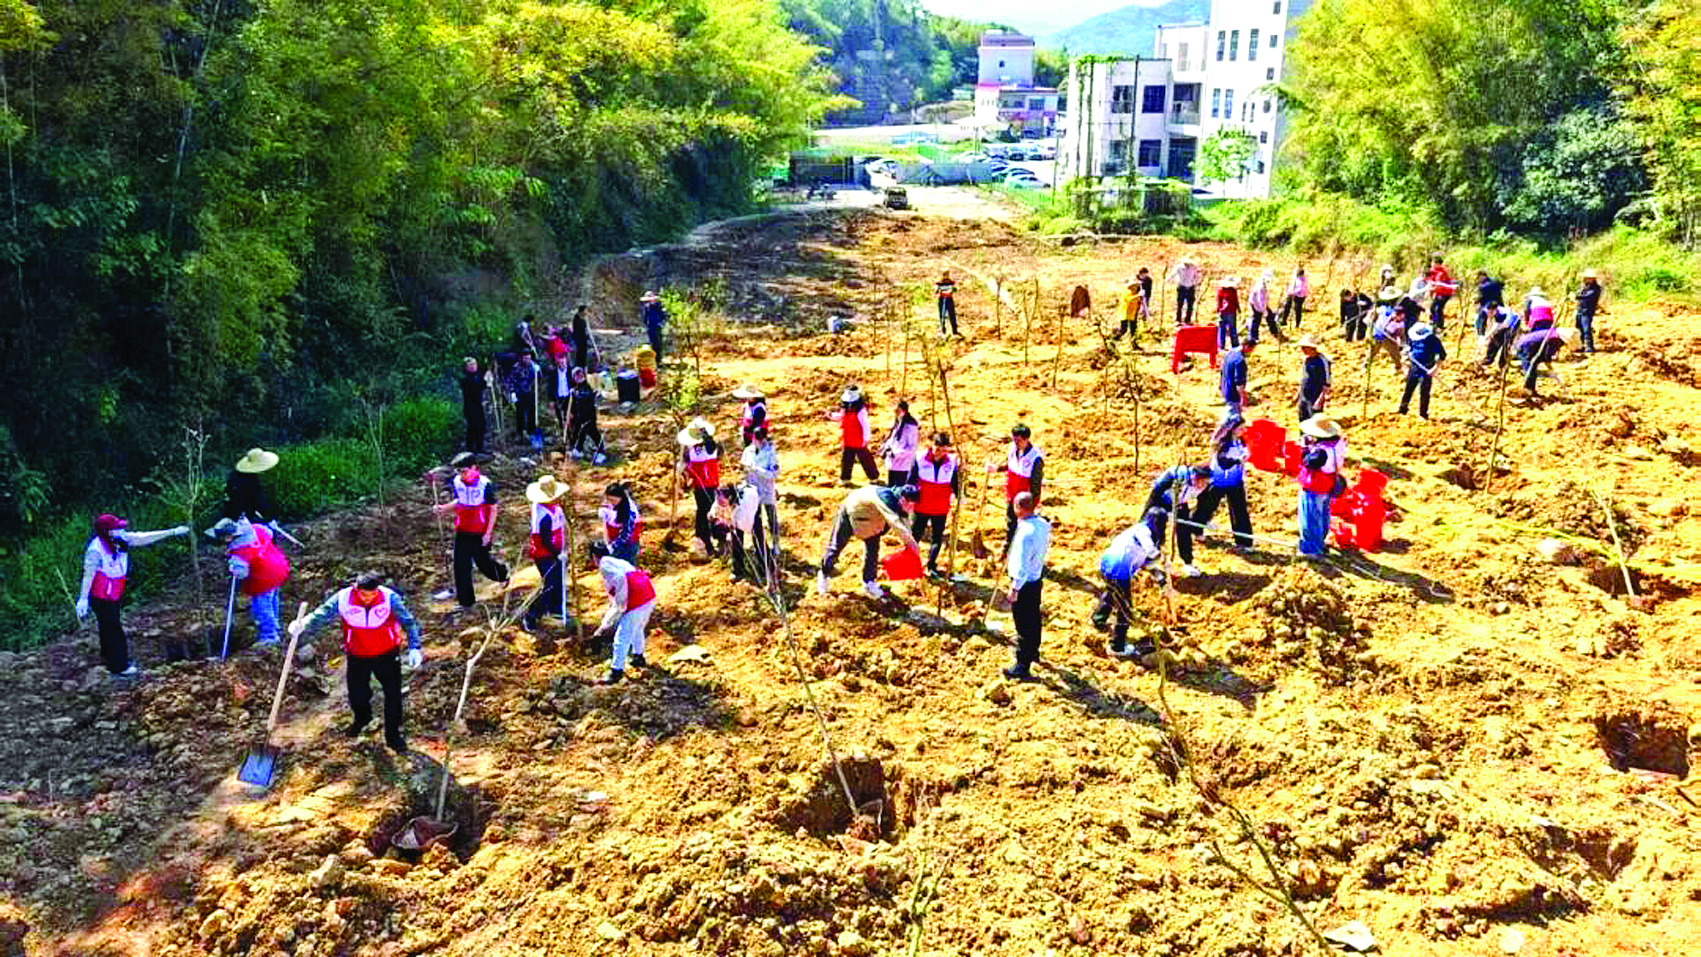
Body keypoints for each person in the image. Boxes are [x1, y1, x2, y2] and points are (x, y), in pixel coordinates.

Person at [288, 572, 422, 753]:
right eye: (364, 595)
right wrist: (303, 624)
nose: (369, 598)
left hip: (387, 654)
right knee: (357, 694)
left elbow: (408, 621)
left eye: (373, 594)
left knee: (393, 695)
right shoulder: (343, 598)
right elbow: (322, 614)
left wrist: (415, 646)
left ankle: (393, 736)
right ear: (356, 589)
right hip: (357, 654)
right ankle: (363, 720)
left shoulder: (390, 598)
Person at [75, 515, 191, 676]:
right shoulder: (95, 550)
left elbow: (144, 537)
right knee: (113, 628)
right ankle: (119, 666)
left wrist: (172, 532)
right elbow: (88, 574)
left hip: (114, 592)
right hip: (101, 596)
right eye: (117, 528)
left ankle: (108, 656)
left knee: (108, 626)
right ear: (107, 531)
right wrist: (83, 598)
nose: (122, 530)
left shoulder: (122, 540)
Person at [815, 483, 922, 599]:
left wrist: (912, 545)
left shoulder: (900, 504)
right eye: (909, 504)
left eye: (913, 505)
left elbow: (905, 522)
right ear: (902, 499)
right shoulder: (886, 499)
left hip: (871, 521)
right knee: (836, 545)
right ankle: (823, 574)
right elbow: (896, 524)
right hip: (852, 512)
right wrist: (912, 544)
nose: (911, 508)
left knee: (872, 551)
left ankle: (869, 583)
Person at [430, 453, 509, 609]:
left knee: (483, 563)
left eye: (464, 471)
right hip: (463, 528)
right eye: (459, 471)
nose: (462, 474)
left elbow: (493, 509)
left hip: (480, 530)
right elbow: (460, 501)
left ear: (474, 468)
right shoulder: (457, 482)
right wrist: (443, 508)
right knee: (461, 565)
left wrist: (488, 533)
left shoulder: (485, 485)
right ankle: (466, 602)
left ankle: (502, 574)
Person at [205, 516, 291, 646]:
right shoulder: (255, 528)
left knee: (261, 606)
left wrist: (234, 567)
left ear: (228, 537)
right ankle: (275, 626)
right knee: (271, 599)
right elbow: (270, 532)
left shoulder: (240, 551)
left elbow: (242, 574)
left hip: (264, 577)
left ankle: (270, 636)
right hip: (277, 567)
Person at [1091, 512, 1164, 657]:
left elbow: (1145, 563)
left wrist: (1160, 577)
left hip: (1108, 563)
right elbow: (1152, 554)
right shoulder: (1145, 534)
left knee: (1113, 592)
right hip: (1119, 568)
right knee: (1125, 609)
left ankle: (1098, 618)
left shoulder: (1138, 529)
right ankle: (1117, 647)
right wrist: (1163, 559)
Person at [589, 543, 656, 685]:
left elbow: (620, 582)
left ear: (594, 556)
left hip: (637, 598)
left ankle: (616, 671)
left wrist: (621, 604)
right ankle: (638, 657)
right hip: (648, 594)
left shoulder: (604, 565)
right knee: (637, 628)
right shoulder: (617, 561)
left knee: (622, 637)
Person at [1002, 491, 1051, 682]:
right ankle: (1034, 651)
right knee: (1034, 618)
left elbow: (1021, 565)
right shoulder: (1043, 525)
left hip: (1024, 584)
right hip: (1036, 579)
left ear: (1019, 508)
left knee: (1022, 624)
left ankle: (1022, 665)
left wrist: (1015, 588)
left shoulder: (1025, 533)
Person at [1193, 415, 1253, 551]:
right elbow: (1223, 462)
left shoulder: (1241, 442)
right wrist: (1237, 460)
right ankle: (1196, 529)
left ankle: (1244, 541)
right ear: (1232, 429)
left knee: (1239, 511)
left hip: (1235, 481)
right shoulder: (1223, 444)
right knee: (1208, 506)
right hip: (1218, 480)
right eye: (1240, 428)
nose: (1242, 430)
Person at [906, 432, 959, 577]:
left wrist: (960, 496)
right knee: (914, 536)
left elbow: (955, 482)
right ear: (932, 446)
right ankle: (910, 564)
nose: (940, 453)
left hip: (941, 507)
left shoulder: (952, 462)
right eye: (937, 449)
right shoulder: (920, 458)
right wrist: (909, 498)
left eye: (943, 450)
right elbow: (910, 480)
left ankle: (931, 565)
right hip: (921, 506)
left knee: (937, 537)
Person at [1143, 464, 1209, 578]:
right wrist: (1146, 517)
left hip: (1180, 503)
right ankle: (1150, 560)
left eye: (1206, 482)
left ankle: (1188, 563)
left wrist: (1200, 522)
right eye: (1203, 482)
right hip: (1162, 500)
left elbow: (1203, 505)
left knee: (1184, 529)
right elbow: (1155, 495)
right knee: (1155, 530)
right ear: (1196, 478)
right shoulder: (1174, 477)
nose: (1204, 485)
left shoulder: (1204, 486)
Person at [988, 424, 1044, 554]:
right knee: (1010, 523)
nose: (1015, 443)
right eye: (1014, 440)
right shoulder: (1013, 449)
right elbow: (1011, 465)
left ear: (1026, 439)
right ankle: (1008, 549)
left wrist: (1032, 504)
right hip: (1011, 494)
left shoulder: (1035, 458)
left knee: (1023, 527)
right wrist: (996, 468)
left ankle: (1022, 552)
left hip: (1024, 501)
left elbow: (1036, 485)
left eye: (1018, 440)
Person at [523, 476, 569, 631]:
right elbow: (545, 540)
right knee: (550, 584)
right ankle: (532, 615)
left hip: (555, 551)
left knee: (558, 580)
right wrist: (557, 554)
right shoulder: (543, 515)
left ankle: (556, 609)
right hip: (545, 554)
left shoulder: (554, 508)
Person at [1297, 416, 1346, 558]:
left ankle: (1311, 549)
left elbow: (1307, 462)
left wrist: (1305, 448)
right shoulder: (1338, 444)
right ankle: (1320, 542)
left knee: (1310, 518)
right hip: (1328, 485)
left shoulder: (1321, 453)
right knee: (1323, 515)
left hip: (1315, 487)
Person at [677, 418, 722, 556]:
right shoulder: (691, 449)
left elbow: (714, 450)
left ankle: (711, 537)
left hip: (711, 483)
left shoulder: (711, 447)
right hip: (700, 485)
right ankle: (705, 541)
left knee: (707, 512)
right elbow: (685, 463)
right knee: (704, 512)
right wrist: (683, 468)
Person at [1517, 288, 1565, 398]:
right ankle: (1542, 357)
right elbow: (1552, 316)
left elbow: (1527, 312)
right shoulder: (1546, 302)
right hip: (1548, 324)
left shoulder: (1530, 300)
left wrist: (1527, 323)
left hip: (1537, 322)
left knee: (1532, 349)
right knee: (1543, 342)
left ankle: (1529, 382)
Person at [724, 478, 770, 586]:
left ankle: (765, 568)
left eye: (722, 501)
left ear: (730, 498)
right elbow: (716, 509)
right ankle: (737, 570)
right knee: (736, 540)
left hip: (752, 507)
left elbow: (746, 527)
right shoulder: (722, 497)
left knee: (757, 537)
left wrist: (732, 523)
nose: (720, 502)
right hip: (738, 511)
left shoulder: (745, 507)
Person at [740, 426, 781, 546]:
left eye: (759, 438)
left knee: (771, 517)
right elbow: (744, 467)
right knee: (755, 518)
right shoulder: (748, 450)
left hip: (766, 489)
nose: (757, 441)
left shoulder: (770, 452)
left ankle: (776, 543)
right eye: (755, 438)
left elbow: (773, 474)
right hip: (753, 489)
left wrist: (757, 470)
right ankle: (758, 543)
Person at [1398, 322, 1447, 419]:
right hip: (1414, 366)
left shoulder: (1432, 340)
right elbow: (1410, 348)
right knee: (1409, 388)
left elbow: (1442, 355)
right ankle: (1403, 409)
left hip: (1426, 368)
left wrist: (1434, 369)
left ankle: (1423, 414)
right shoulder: (1412, 337)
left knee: (1424, 392)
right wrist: (1407, 355)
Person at [834, 385, 879, 484]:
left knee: (865, 459)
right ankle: (845, 479)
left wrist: (866, 438)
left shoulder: (861, 411)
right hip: (847, 438)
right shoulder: (845, 409)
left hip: (858, 439)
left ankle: (873, 477)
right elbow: (841, 416)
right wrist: (832, 416)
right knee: (846, 459)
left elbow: (865, 425)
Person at [222, 448, 279, 524]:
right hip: (241, 516)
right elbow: (257, 500)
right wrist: (269, 518)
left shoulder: (236, 475)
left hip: (235, 511)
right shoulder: (249, 480)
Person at [564, 367, 606, 463]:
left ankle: (601, 452)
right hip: (580, 415)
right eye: (576, 375)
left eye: (580, 375)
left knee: (593, 433)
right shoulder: (575, 388)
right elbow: (572, 403)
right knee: (579, 432)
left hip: (589, 415)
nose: (579, 377)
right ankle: (578, 449)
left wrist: (576, 394)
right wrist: (570, 413)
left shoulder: (586, 386)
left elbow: (587, 396)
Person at [1364, 287, 1407, 379]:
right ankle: (1366, 366)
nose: (1399, 318)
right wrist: (1370, 319)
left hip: (1388, 337)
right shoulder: (1384, 310)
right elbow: (1372, 315)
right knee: (1373, 351)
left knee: (1395, 353)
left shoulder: (1400, 323)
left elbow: (1401, 334)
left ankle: (1398, 368)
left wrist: (1402, 343)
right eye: (1398, 316)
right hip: (1378, 333)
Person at [879, 399, 920, 487]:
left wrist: (899, 453)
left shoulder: (910, 425)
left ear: (904, 411)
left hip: (903, 464)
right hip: (893, 462)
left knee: (900, 489)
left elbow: (912, 445)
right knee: (891, 487)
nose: (896, 413)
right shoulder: (898, 422)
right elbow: (892, 438)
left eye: (898, 411)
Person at [599, 481, 642, 564]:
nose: (610, 502)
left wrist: (612, 548)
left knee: (626, 572)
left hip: (628, 545)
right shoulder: (610, 505)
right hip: (614, 541)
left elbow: (626, 534)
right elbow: (605, 524)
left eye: (613, 500)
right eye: (609, 499)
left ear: (620, 497)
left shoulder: (629, 511)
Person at [506, 351, 540, 446]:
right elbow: (510, 381)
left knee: (532, 413)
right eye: (525, 358)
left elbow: (539, 378)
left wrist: (538, 371)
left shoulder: (533, 366)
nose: (527, 360)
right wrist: (512, 393)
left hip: (530, 393)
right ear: (521, 358)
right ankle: (520, 433)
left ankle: (531, 433)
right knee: (520, 414)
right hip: (519, 394)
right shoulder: (516, 367)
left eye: (529, 358)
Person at [1296, 334, 1331, 422]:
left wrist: (1321, 399)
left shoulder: (1322, 361)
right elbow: (1303, 378)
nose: (1302, 350)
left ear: (1312, 348)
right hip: (1304, 396)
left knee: (1314, 421)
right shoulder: (1306, 360)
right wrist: (1298, 394)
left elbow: (1327, 383)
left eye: (1305, 347)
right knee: (1302, 420)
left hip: (1315, 397)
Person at [458, 357, 489, 455]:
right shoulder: (465, 379)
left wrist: (487, 381)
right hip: (470, 406)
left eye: (475, 364)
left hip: (478, 405)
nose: (473, 367)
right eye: (471, 365)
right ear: (466, 367)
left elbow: (482, 386)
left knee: (481, 426)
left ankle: (480, 448)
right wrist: (485, 382)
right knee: (472, 427)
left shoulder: (477, 376)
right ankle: (470, 449)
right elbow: (474, 390)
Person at [1219, 338, 1255, 417]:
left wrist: (1220, 386)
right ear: (1246, 346)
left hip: (1225, 388)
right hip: (1233, 394)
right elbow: (1239, 382)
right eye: (1251, 349)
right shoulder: (1240, 361)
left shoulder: (1229, 353)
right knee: (1232, 419)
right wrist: (1243, 397)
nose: (1251, 352)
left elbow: (1222, 370)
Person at [1483, 304, 1521, 369]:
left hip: (1512, 326)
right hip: (1505, 325)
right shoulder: (1496, 313)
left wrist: (1488, 335)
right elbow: (1497, 325)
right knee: (1494, 340)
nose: (1489, 314)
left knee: (1506, 344)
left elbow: (1504, 325)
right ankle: (1488, 359)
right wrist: (1487, 336)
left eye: (1489, 312)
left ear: (1493, 310)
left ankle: (1503, 364)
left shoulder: (1503, 312)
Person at [1247, 268, 1280, 344]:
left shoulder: (1262, 284)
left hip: (1259, 304)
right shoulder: (1261, 287)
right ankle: (1253, 338)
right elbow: (1260, 300)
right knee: (1256, 321)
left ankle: (1274, 331)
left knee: (1270, 317)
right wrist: (1264, 311)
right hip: (1257, 305)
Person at [1575, 269, 1603, 355]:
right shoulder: (1585, 287)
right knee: (1579, 328)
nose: (1588, 280)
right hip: (1580, 310)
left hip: (1587, 311)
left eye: (1590, 278)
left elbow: (1588, 296)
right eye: (1587, 278)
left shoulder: (1596, 288)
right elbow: (1580, 294)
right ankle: (1581, 345)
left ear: (1594, 279)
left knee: (1586, 329)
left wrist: (1576, 296)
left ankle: (1589, 347)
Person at [1425, 256, 1456, 328]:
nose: (1433, 264)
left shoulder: (1441, 273)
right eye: (1433, 263)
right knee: (1432, 308)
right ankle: (1433, 322)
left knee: (1438, 308)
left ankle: (1439, 325)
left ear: (1439, 264)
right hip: (1437, 292)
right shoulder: (1432, 271)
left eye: (1435, 263)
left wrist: (1432, 290)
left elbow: (1439, 285)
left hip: (1445, 293)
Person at [1169, 258, 1202, 324]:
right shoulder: (1179, 268)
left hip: (1191, 288)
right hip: (1182, 287)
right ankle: (1178, 320)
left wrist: (1196, 283)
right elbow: (1173, 274)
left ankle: (1188, 320)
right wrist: (1171, 280)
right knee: (1180, 304)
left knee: (1190, 304)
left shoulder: (1194, 268)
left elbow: (1197, 276)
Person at [548, 353, 573, 435]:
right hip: (558, 398)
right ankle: (563, 433)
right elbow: (550, 387)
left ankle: (570, 433)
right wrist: (551, 400)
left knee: (569, 416)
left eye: (563, 363)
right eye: (560, 363)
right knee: (560, 417)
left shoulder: (571, 372)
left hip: (569, 397)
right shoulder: (553, 374)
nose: (562, 365)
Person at [1475, 270, 1505, 336]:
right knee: (1501, 318)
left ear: (1481, 276)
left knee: (1481, 317)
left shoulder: (1482, 286)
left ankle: (1481, 334)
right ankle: (1503, 332)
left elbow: (1481, 298)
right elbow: (1503, 284)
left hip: (1488, 305)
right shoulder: (1496, 281)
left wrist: (1477, 302)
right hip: (1499, 303)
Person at [1215, 276, 1241, 349]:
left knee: (1222, 329)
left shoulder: (1221, 290)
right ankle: (1235, 344)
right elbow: (1235, 300)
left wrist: (1218, 309)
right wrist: (1238, 308)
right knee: (1232, 329)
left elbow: (1218, 301)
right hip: (1231, 311)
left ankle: (1221, 345)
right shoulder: (1233, 291)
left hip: (1223, 312)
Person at [1113, 276, 1143, 341]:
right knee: (1124, 330)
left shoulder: (1136, 294)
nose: (1136, 287)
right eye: (1134, 285)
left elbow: (1138, 304)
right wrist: (1137, 296)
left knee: (1133, 330)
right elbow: (1128, 300)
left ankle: (1134, 344)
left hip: (1132, 314)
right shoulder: (1127, 293)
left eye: (1136, 285)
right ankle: (1114, 339)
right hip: (1125, 314)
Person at [640, 291, 666, 360]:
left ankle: (659, 359)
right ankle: (654, 359)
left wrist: (661, 323)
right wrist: (646, 325)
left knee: (659, 343)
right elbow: (645, 317)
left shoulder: (658, 306)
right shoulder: (646, 307)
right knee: (652, 343)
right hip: (650, 327)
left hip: (658, 326)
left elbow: (663, 316)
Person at [569, 304, 592, 372]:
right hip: (579, 339)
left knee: (584, 354)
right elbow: (578, 329)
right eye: (585, 310)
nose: (586, 312)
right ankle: (579, 368)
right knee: (580, 355)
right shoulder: (577, 319)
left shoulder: (583, 318)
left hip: (583, 339)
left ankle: (583, 367)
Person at [935, 271, 959, 337]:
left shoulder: (951, 283)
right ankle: (942, 330)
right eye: (944, 274)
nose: (945, 276)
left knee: (952, 315)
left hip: (949, 300)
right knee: (942, 315)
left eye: (947, 274)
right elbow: (936, 291)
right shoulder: (939, 283)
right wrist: (937, 290)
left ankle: (955, 331)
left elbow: (955, 289)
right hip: (942, 300)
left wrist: (953, 289)